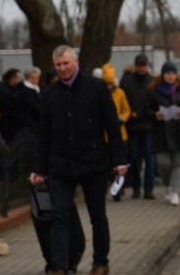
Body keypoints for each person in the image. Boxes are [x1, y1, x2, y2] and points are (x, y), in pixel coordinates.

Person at [29, 45, 128, 275]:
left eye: (66, 63)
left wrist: (119, 159)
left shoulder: (96, 88)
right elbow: (44, 134)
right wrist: (38, 168)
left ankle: (101, 262)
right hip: (61, 166)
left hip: (93, 162)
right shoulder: (49, 94)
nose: (62, 68)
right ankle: (60, 266)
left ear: (76, 62)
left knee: (97, 215)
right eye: (58, 65)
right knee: (60, 217)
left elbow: (112, 126)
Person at [148, 61, 180, 206]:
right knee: (163, 163)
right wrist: (155, 114)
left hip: (178, 131)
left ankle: (175, 192)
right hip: (161, 132)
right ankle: (167, 186)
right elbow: (146, 109)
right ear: (163, 75)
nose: (171, 76)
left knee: (178, 163)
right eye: (168, 73)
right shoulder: (154, 91)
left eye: (173, 73)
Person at [119, 54, 155, 199]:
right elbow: (122, 102)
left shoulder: (152, 82)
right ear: (135, 65)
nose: (141, 68)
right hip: (132, 127)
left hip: (148, 126)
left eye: (144, 65)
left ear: (147, 66)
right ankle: (135, 188)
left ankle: (148, 189)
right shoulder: (126, 82)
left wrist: (140, 113)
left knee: (150, 159)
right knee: (134, 159)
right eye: (139, 65)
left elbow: (153, 103)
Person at [101, 63, 131, 202]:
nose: (108, 86)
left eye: (110, 83)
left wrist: (122, 118)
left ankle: (118, 189)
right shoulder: (99, 93)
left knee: (119, 163)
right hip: (103, 136)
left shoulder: (120, 93)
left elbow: (126, 109)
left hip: (119, 134)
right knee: (106, 165)